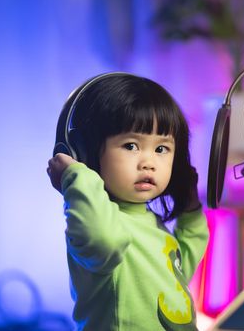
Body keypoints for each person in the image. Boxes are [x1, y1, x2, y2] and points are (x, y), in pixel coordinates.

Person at [46, 73, 208, 330]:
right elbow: (104, 245)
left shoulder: (150, 222)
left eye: (161, 149)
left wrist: (191, 210)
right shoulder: (97, 223)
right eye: (131, 145)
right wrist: (77, 178)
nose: (148, 162)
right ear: (84, 152)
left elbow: (176, 276)